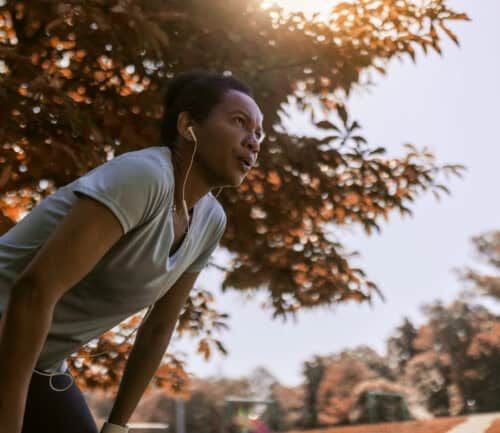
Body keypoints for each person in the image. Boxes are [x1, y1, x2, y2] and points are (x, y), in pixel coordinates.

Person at [0, 70, 265, 433]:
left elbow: (159, 327)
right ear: (188, 124)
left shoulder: (209, 221)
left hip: (39, 364)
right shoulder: (143, 177)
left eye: (259, 133)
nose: (253, 141)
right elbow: (34, 292)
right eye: (239, 122)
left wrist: (117, 426)